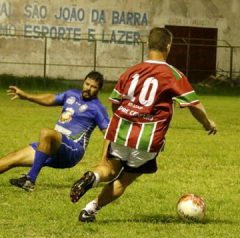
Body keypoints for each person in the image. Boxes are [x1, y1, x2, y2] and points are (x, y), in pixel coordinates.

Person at [70, 27, 217, 222]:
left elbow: (115, 102)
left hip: (121, 131)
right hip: (147, 139)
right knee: (124, 180)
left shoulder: (131, 71)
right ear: (168, 46)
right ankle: (90, 209)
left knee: (110, 169)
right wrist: (208, 123)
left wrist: (127, 119)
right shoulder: (173, 74)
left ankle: (92, 177)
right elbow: (194, 105)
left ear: (148, 44)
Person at [0, 71, 110, 191]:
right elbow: (50, 99)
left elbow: (109, 134)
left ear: (99, 90)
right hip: (52, 145)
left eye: (93, 87)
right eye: (87, 84)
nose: (88, 89)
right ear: (83, 82)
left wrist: (105, 159)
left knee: (46, 133)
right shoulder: (71, 94)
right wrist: (26, 96)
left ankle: (30, 179)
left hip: (72, 150)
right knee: (12, 157)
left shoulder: (97, 109)